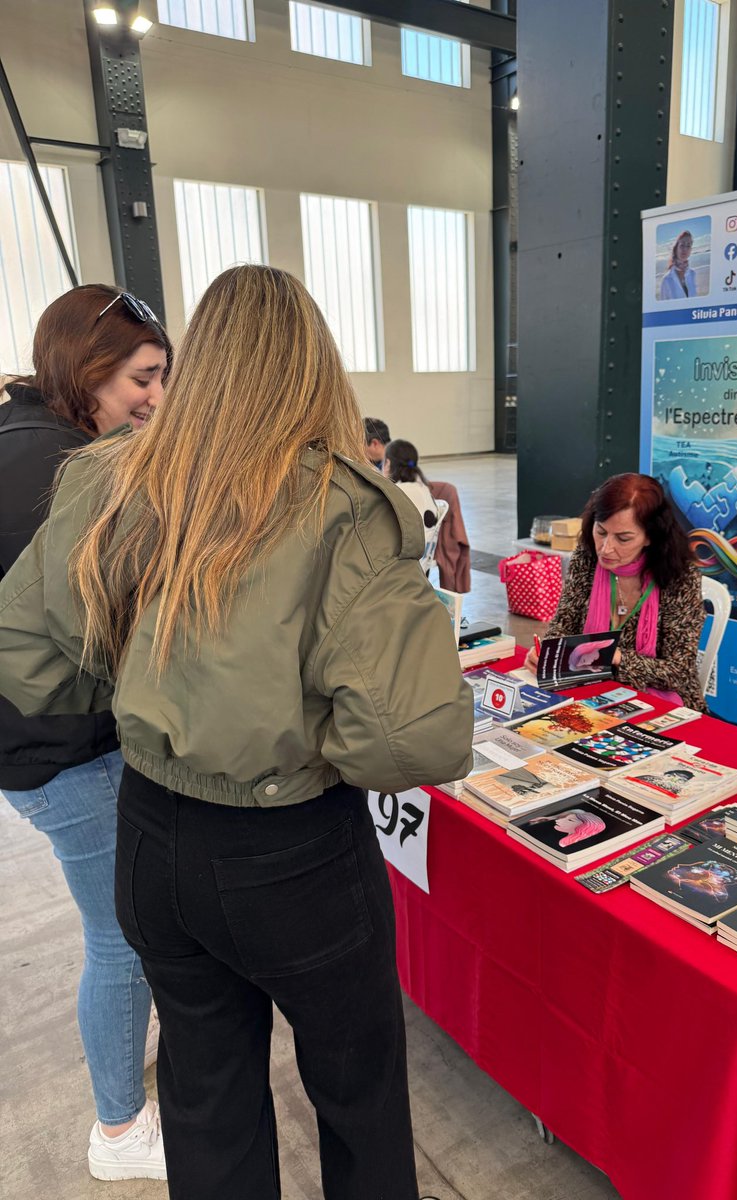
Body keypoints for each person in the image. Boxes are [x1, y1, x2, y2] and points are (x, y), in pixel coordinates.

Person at [0, 265, 473, 1200]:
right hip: (290, 844)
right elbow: (412, 740)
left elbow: (26, 658)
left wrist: (144, 684)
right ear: (314, 366)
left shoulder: (107, 478)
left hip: (149, 832)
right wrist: (299, 730)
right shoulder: (342, 503)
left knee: (205, 1095)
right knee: (360, 1097)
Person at [0, 284, 171, 1182]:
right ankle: (117, 1130)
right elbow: (95, 626)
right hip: (63, 748)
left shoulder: (26, 437)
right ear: (88, 366)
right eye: (143, 378)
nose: (154, 398)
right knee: (122, 937)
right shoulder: (58, 468)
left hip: (38, 742)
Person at [526, 473, 706, 710]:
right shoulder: (588, 557)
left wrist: (615, 657)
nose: (606, 548)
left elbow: (679, 672)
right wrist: (548, 652)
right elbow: (564, 624)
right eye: (601, 531)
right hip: (592, 688)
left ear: (650, 537)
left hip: (662, 701)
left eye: (623, 538)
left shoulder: (680, 576)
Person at [382, 438, 440, 533]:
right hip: (427, 545)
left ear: (388, 464)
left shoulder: (395, 494)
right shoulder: (423, 487)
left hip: (405, 545)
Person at [659, 229, 696, 300]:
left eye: (688, 246)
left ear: (691, 250)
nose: (685, 249)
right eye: (682, 245)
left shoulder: (693, 274)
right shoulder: (666, 280)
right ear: (676, 248)